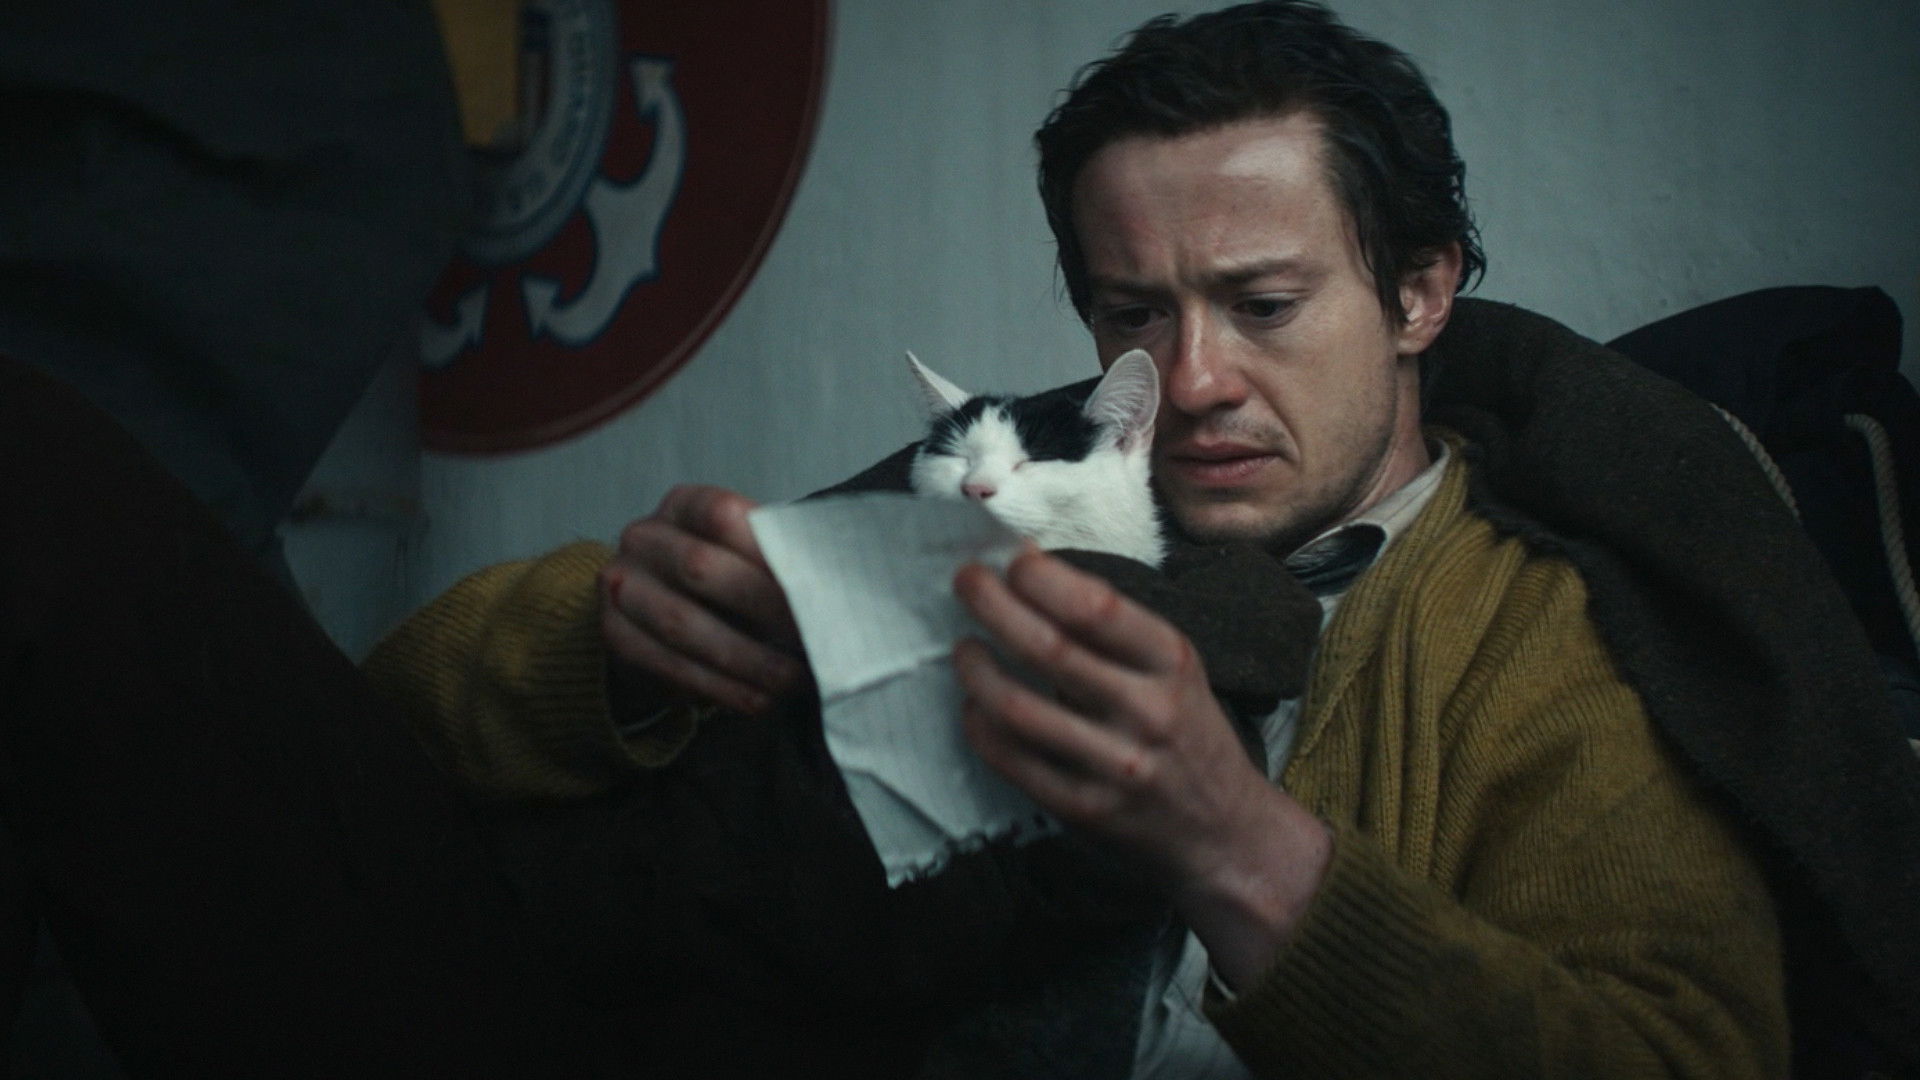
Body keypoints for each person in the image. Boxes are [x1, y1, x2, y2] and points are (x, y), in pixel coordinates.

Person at [376, 2, 1920, 1078]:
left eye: (1263, 306)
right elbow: (382, 723)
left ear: (1420, 292)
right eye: (1134, 315)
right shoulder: (1018, 503)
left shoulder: (1543, 632)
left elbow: (1687, 1058)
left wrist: (1233, 844)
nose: (1191, 384)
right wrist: (620, 644)